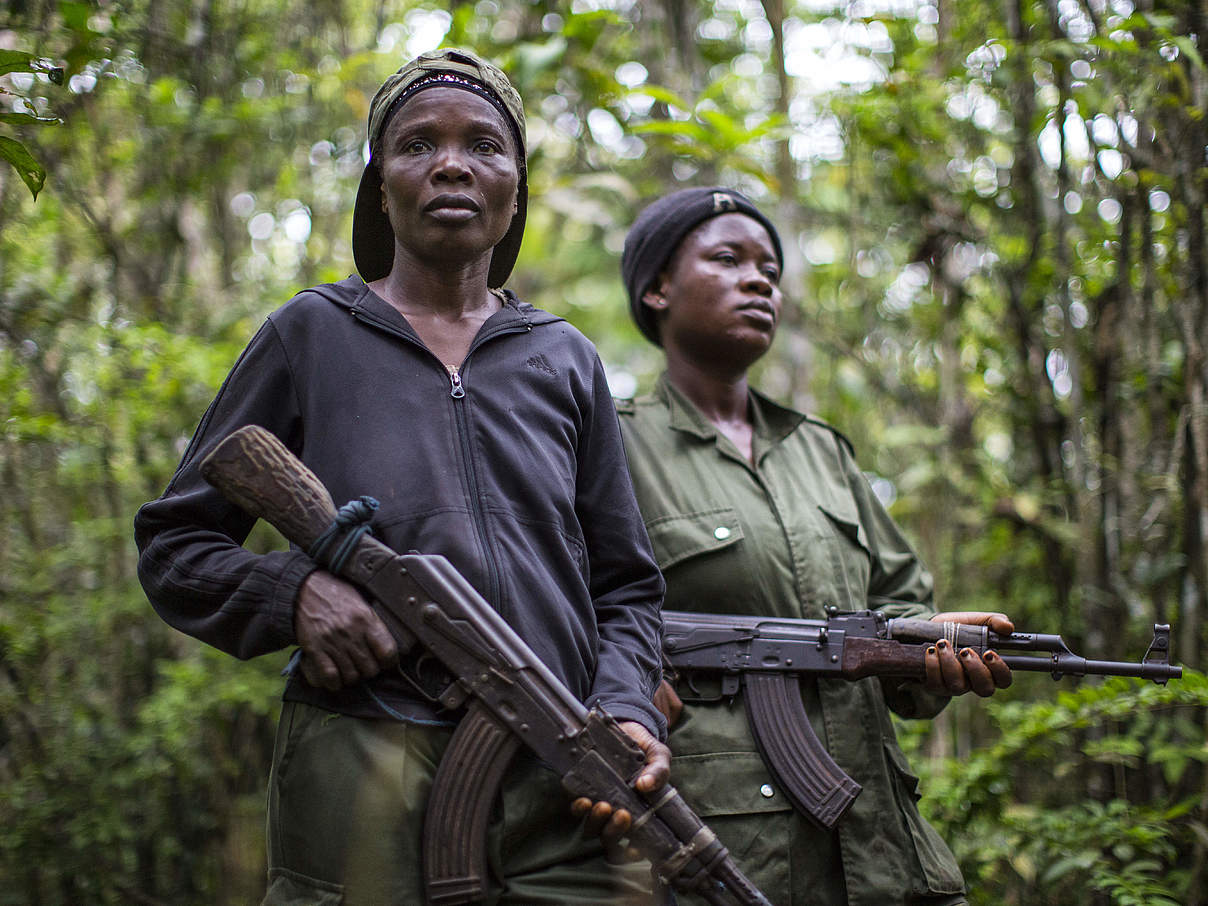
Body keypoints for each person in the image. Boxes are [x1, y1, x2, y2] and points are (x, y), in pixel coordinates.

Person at [135, 48, 670, 906]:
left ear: (515, 188)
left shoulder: (565, 357)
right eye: (418, 144)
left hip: (562, 767)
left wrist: (626, 709)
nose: (452, 162)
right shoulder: (309, 334)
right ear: (380, 188)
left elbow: (628, 587)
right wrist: (294, 594)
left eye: (484, 146)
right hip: (362, 758)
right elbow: (176, 545)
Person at [615, 186, 1014, 906]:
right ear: (657, 289)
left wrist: (933, 647)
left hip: (887, 851)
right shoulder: (612, 446)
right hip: (730, 853)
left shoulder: (822, 452)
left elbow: (898, 603)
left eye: (770, 267)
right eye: (728, 259)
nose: (760, 280)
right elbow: (573, 615)